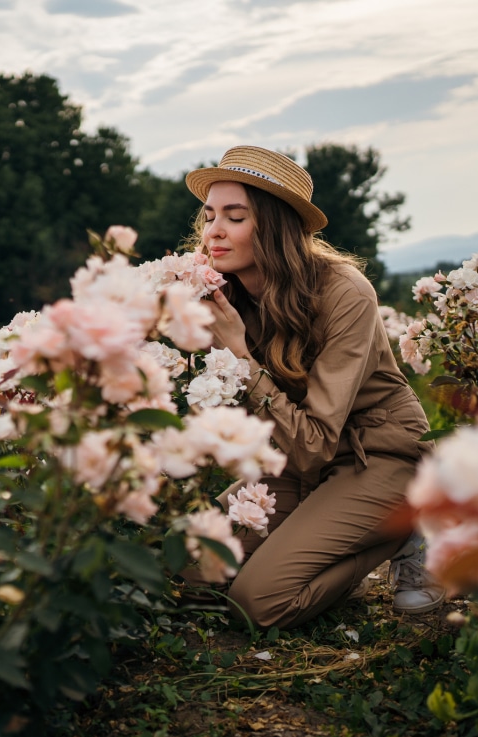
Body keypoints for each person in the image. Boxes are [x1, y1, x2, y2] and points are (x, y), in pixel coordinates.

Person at [184, 146, 443, 629]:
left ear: (275, 226)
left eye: (234, 217)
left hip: (376, 456)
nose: (213, 231)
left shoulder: (344, 293)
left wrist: (240, 357)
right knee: (187, 569)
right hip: (293, 455)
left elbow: (315, 446)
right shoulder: (225, 293)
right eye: (209, 215)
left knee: (255, 604)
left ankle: (402, 529)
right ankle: (335, 539)